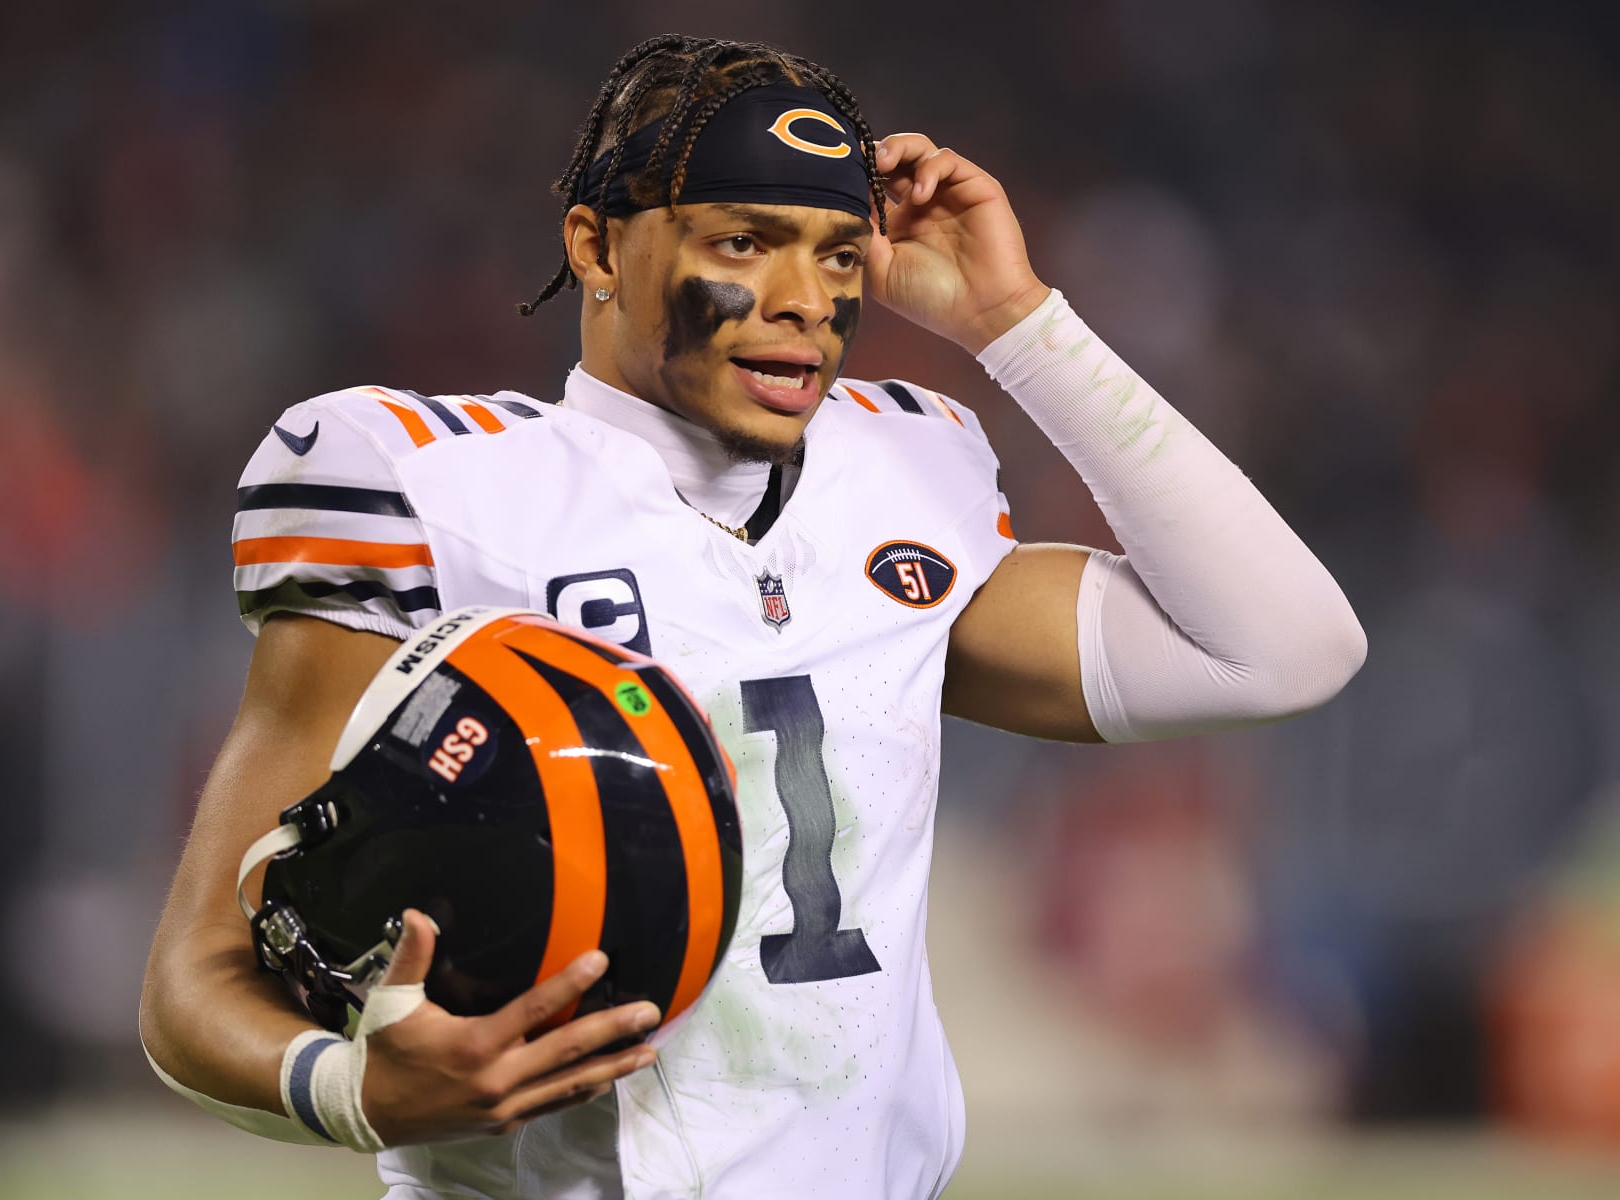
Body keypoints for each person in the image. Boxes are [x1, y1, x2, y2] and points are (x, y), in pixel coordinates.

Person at [139, 34, 1366, 1200]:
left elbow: (1283, 648)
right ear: (597, 245)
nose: (805, 300)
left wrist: (1019, 325)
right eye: (745, 240)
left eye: (839, 254)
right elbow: (195, 981)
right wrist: (352, 1087)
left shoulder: (902, 478)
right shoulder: (424, 484)